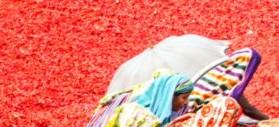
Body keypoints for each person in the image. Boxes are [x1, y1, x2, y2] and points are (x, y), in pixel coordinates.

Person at [107, 36, 266, 121]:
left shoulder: (212, 84)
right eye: (183, 98)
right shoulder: (154, 115)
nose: (185, 101)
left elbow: (249, 109)